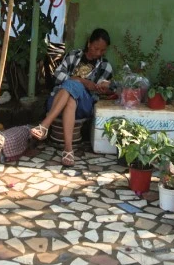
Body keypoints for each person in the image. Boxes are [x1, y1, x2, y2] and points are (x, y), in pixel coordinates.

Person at [30, 28, 113, 166]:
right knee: (71, 95)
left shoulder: (106, 66)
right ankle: (68, 150)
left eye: (102, 51)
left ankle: (45, 125)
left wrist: (103, 87)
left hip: (84, 105)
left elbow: (108, 90)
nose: (98, 53)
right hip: (57, 100)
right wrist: (82, 81)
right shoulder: (73, 55)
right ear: (88, 43)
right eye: (96, 48)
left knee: (73, 84)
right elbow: (57, 75)